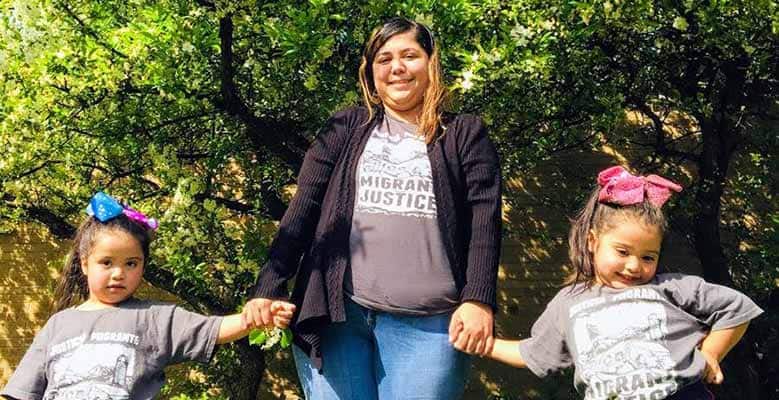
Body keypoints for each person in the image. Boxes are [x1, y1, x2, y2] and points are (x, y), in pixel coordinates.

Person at [241, 17, 502, 400]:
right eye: (385, 58)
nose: (397, 67)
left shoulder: (464, 134)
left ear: (431, 64)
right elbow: (304, 206)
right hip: (340, 318)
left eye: (410, 55)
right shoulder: (347, 126)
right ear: (371, 72)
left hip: (430, 328)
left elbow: (485, 222)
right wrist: (269, 284)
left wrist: (478, 298)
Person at [487, 166, 764, 400]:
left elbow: (737, 308)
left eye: (648, 256)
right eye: (622, 252)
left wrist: (712, 353)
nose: (634, 266)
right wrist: (484, 344)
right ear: (593, 242)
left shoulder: (671, 288)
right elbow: (534, 352)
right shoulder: (569, 302)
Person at [1, 192, 295, 400]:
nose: (119, 273)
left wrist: (254, 318)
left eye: (131, 263)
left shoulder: (155, 318)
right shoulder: (58, 325)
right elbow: (22, 391)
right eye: (106, 262)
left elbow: (213, 329)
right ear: (84, 263)